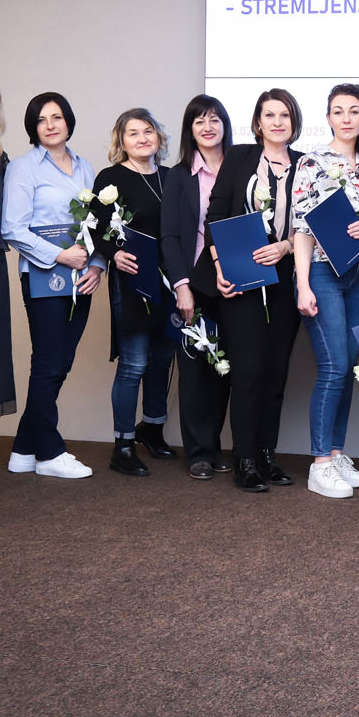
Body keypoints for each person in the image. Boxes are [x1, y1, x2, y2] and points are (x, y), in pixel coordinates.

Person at [1, 92, 106, 479]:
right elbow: (12, 228)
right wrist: (61, 256)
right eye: (41, 119)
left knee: (60, 362)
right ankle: (49, 452)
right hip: (43, 275)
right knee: (48, 361)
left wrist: (97, 265)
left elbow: (98, 224)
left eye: (57, 117)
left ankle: (24, 448)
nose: (50, 125)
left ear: (68, 121)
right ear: (33, 127)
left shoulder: (85, 167)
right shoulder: (23, 168)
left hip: (81, 277)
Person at [206, 88, 305, 492]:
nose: (277, 122)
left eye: (285, 115)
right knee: (247, 371)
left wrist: (285, 246)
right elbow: (215, 214)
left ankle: (267, 455)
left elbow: (310, 224)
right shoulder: (240, 158)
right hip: (242, 277)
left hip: (286, 277)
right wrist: (219, 267)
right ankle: (244, 459)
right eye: (270, 115)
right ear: (258, 122)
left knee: (276, 372)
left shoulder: (306, 165)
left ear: (294, 122)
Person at [292, 84, 359, 498]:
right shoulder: (313, 162)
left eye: (354, 110)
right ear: (328, 117)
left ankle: (337, 452)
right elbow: (302, 227)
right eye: (338, 110)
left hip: (358, 275)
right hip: (322, 273)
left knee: (346, 367)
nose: (346, 117)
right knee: (332, 366)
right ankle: (320, 464)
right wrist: (303, 284)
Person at [92, 109, 175, 477]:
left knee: (162, 359)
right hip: (132, 279)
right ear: (121, 141)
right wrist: (114, 253)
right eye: (133, 133)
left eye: (148, 131)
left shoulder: (171, 177)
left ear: (158, 136)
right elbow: (94, 226)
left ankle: (152, 429)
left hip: (170, 280)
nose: (142, 138)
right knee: (134, 364)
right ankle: (123, 446)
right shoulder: (110, 178)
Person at [160, 95, 233, 482]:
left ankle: (214, 445)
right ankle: (198, 452)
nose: (208, 127)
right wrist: (182, 287)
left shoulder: (241, 168)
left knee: (225, 368)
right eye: (199, 121)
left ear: (225, 125)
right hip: (195, 283)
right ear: (190, 129)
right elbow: (170, 237)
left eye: (214, 119)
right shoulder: (179, 176)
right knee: (194, 370)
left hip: (235, 283)